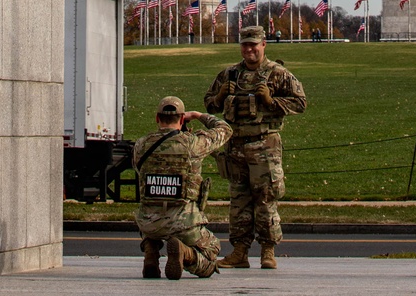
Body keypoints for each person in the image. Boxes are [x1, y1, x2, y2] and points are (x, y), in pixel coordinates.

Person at [204, 24, 307, 269]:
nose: (249, 49)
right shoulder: (229, 75)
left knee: (265, 198)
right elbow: (209, 104)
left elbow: (300, 103)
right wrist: (219, 97)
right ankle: (239, 251)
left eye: (254, 44)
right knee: (239, 200)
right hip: (235, 146)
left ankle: (267, 251)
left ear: (263, 45)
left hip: (265, 146)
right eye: (245, 44)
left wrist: (271, 101)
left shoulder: (277, 73)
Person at [132, 95, 232, 279]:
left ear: (157, 118)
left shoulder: (140, 145)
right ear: (181, 118)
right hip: (184, 224)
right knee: (211, 252)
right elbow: (225, 129)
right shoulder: (192, 143)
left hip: (149, 222)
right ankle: (185, 253)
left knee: (152, 206)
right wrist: (198, 115)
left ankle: (151, 254)